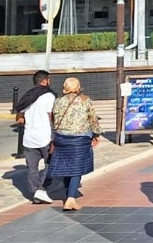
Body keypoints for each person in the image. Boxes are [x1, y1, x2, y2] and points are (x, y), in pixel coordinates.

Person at [46, 77, 101, 212]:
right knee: (77, 167)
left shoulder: (58, 101)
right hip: (79, 139)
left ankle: (68, 192)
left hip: (61, 137)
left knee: (66, 165)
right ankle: (70, 198)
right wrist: (96, 134)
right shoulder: (85, 101)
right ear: (78, 87)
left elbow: (53, 118)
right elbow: (92, 119)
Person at [15, 69, 56, 204]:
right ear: (44, 81)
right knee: (51, 164)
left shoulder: (27, 97)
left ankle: (35, 193)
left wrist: (30, 120)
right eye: (49, 80)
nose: (50, 82)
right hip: (45, 136)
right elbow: (52, 117)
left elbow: (19, 119)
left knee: (32, 168)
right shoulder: (48, 96)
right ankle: (40, 190)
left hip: (29, 138)